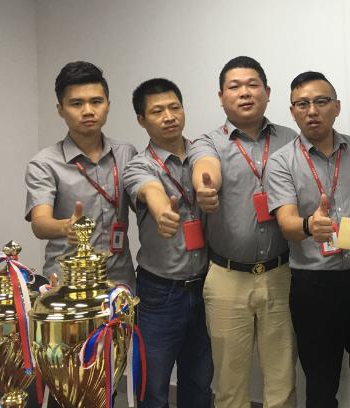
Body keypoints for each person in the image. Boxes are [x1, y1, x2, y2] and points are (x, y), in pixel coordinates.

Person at [266, 71, 350, 408]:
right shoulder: (281, 162)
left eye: (321, 102)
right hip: (314, 287)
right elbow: (287, 223)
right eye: (302, 104)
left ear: (337, 107)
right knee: (321, 384)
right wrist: (309, 225)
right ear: (292, 112)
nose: (312, 111)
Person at [189, 56, 297, 408]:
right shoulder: (207, 142)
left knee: (282, 380)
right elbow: (206, 167)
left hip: (280, 274)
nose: (245, 93)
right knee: (230, 384)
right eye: (234, 87)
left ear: (267, 92)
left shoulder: (290, 139)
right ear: (221, 97)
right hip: (227, 278)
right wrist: (205, 187)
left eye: (253, 85)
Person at [123, 78, 212, 408]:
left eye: (175, 107)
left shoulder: (203, 153)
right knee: (154, 386)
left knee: (200, 382)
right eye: (157, 111)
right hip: (160, 293)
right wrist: (163, 212)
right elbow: (150, 190)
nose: (169, 116)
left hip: (205, 286)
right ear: (141, 119)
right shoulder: (138, 165)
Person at [25, 61, 135, 288]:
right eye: (76, 103)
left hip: (119, 281)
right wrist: (66, 227)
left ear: (108, 105)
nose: (88, 111)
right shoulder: (45, 163)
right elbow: (40, 223)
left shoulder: (126, 153)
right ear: (60, 110)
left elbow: (142, 202)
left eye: (96, 101)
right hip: (68, 282)